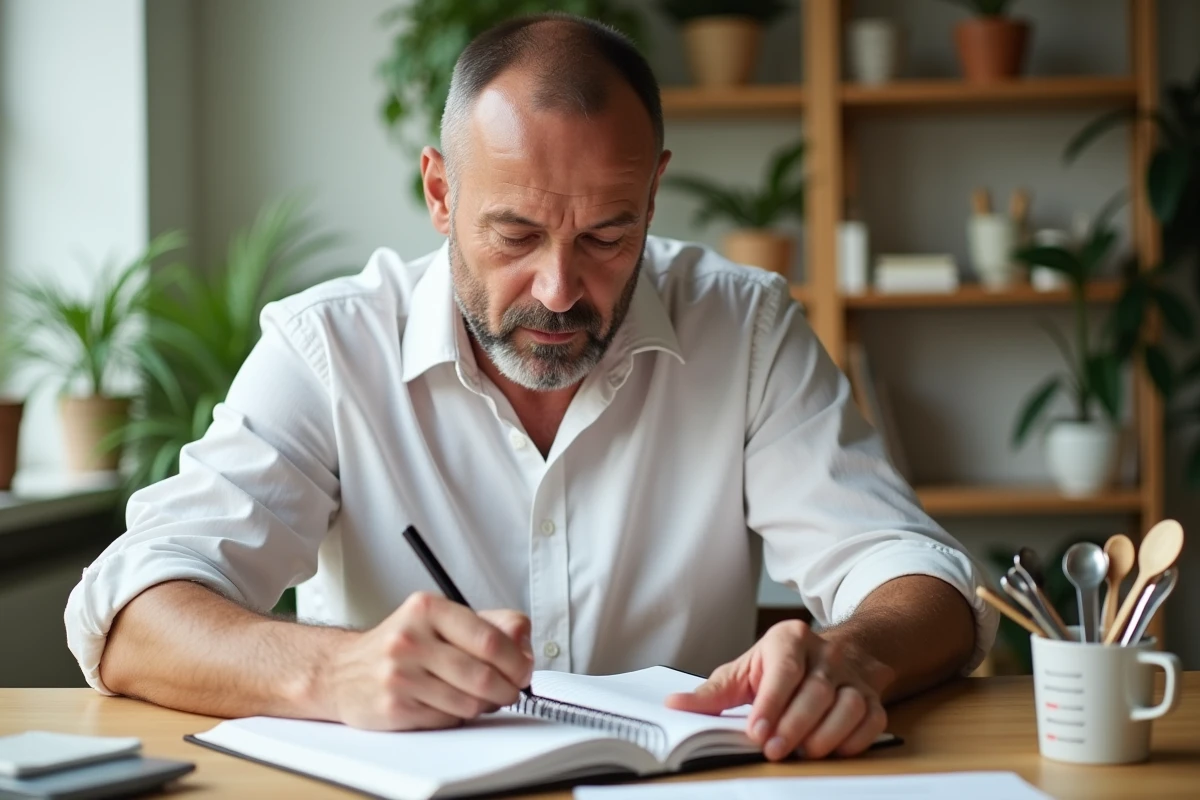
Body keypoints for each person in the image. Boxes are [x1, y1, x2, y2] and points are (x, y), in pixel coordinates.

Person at [66, 14, 996, 763]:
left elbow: (922, 578)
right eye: (514, 236)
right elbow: (132, 615)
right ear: (440, 193)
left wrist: (849, 654)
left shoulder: (743, 327)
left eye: (606, 236)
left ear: (654, 195)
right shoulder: (330, 347)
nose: (559, 290)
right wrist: (333, 671)